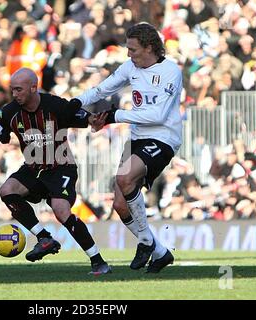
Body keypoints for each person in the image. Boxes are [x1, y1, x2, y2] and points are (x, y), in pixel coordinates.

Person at [0, 68, 111, 275]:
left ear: (33, 88)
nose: (15, 94)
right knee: (6, 190)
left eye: (19, 89)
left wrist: (94, 121)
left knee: (61, 210)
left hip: (61, 167)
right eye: (12, 90)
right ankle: (44, 238)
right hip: (33, 168)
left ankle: (98, 261)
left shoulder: (55, 105)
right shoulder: (10, 112)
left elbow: (85, 117)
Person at [70, 22, 183, 273]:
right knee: (120, 206)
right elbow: (102, 89)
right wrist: (75, 102)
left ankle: (145, 242)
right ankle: (160, 253)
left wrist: (114, 116)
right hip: (137, 138)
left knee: (124, 177)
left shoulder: (170, 71)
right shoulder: (130, 67)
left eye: (133, 49)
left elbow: (158, 115)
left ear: (150, 47)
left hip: (163, 138)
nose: (129, 54)